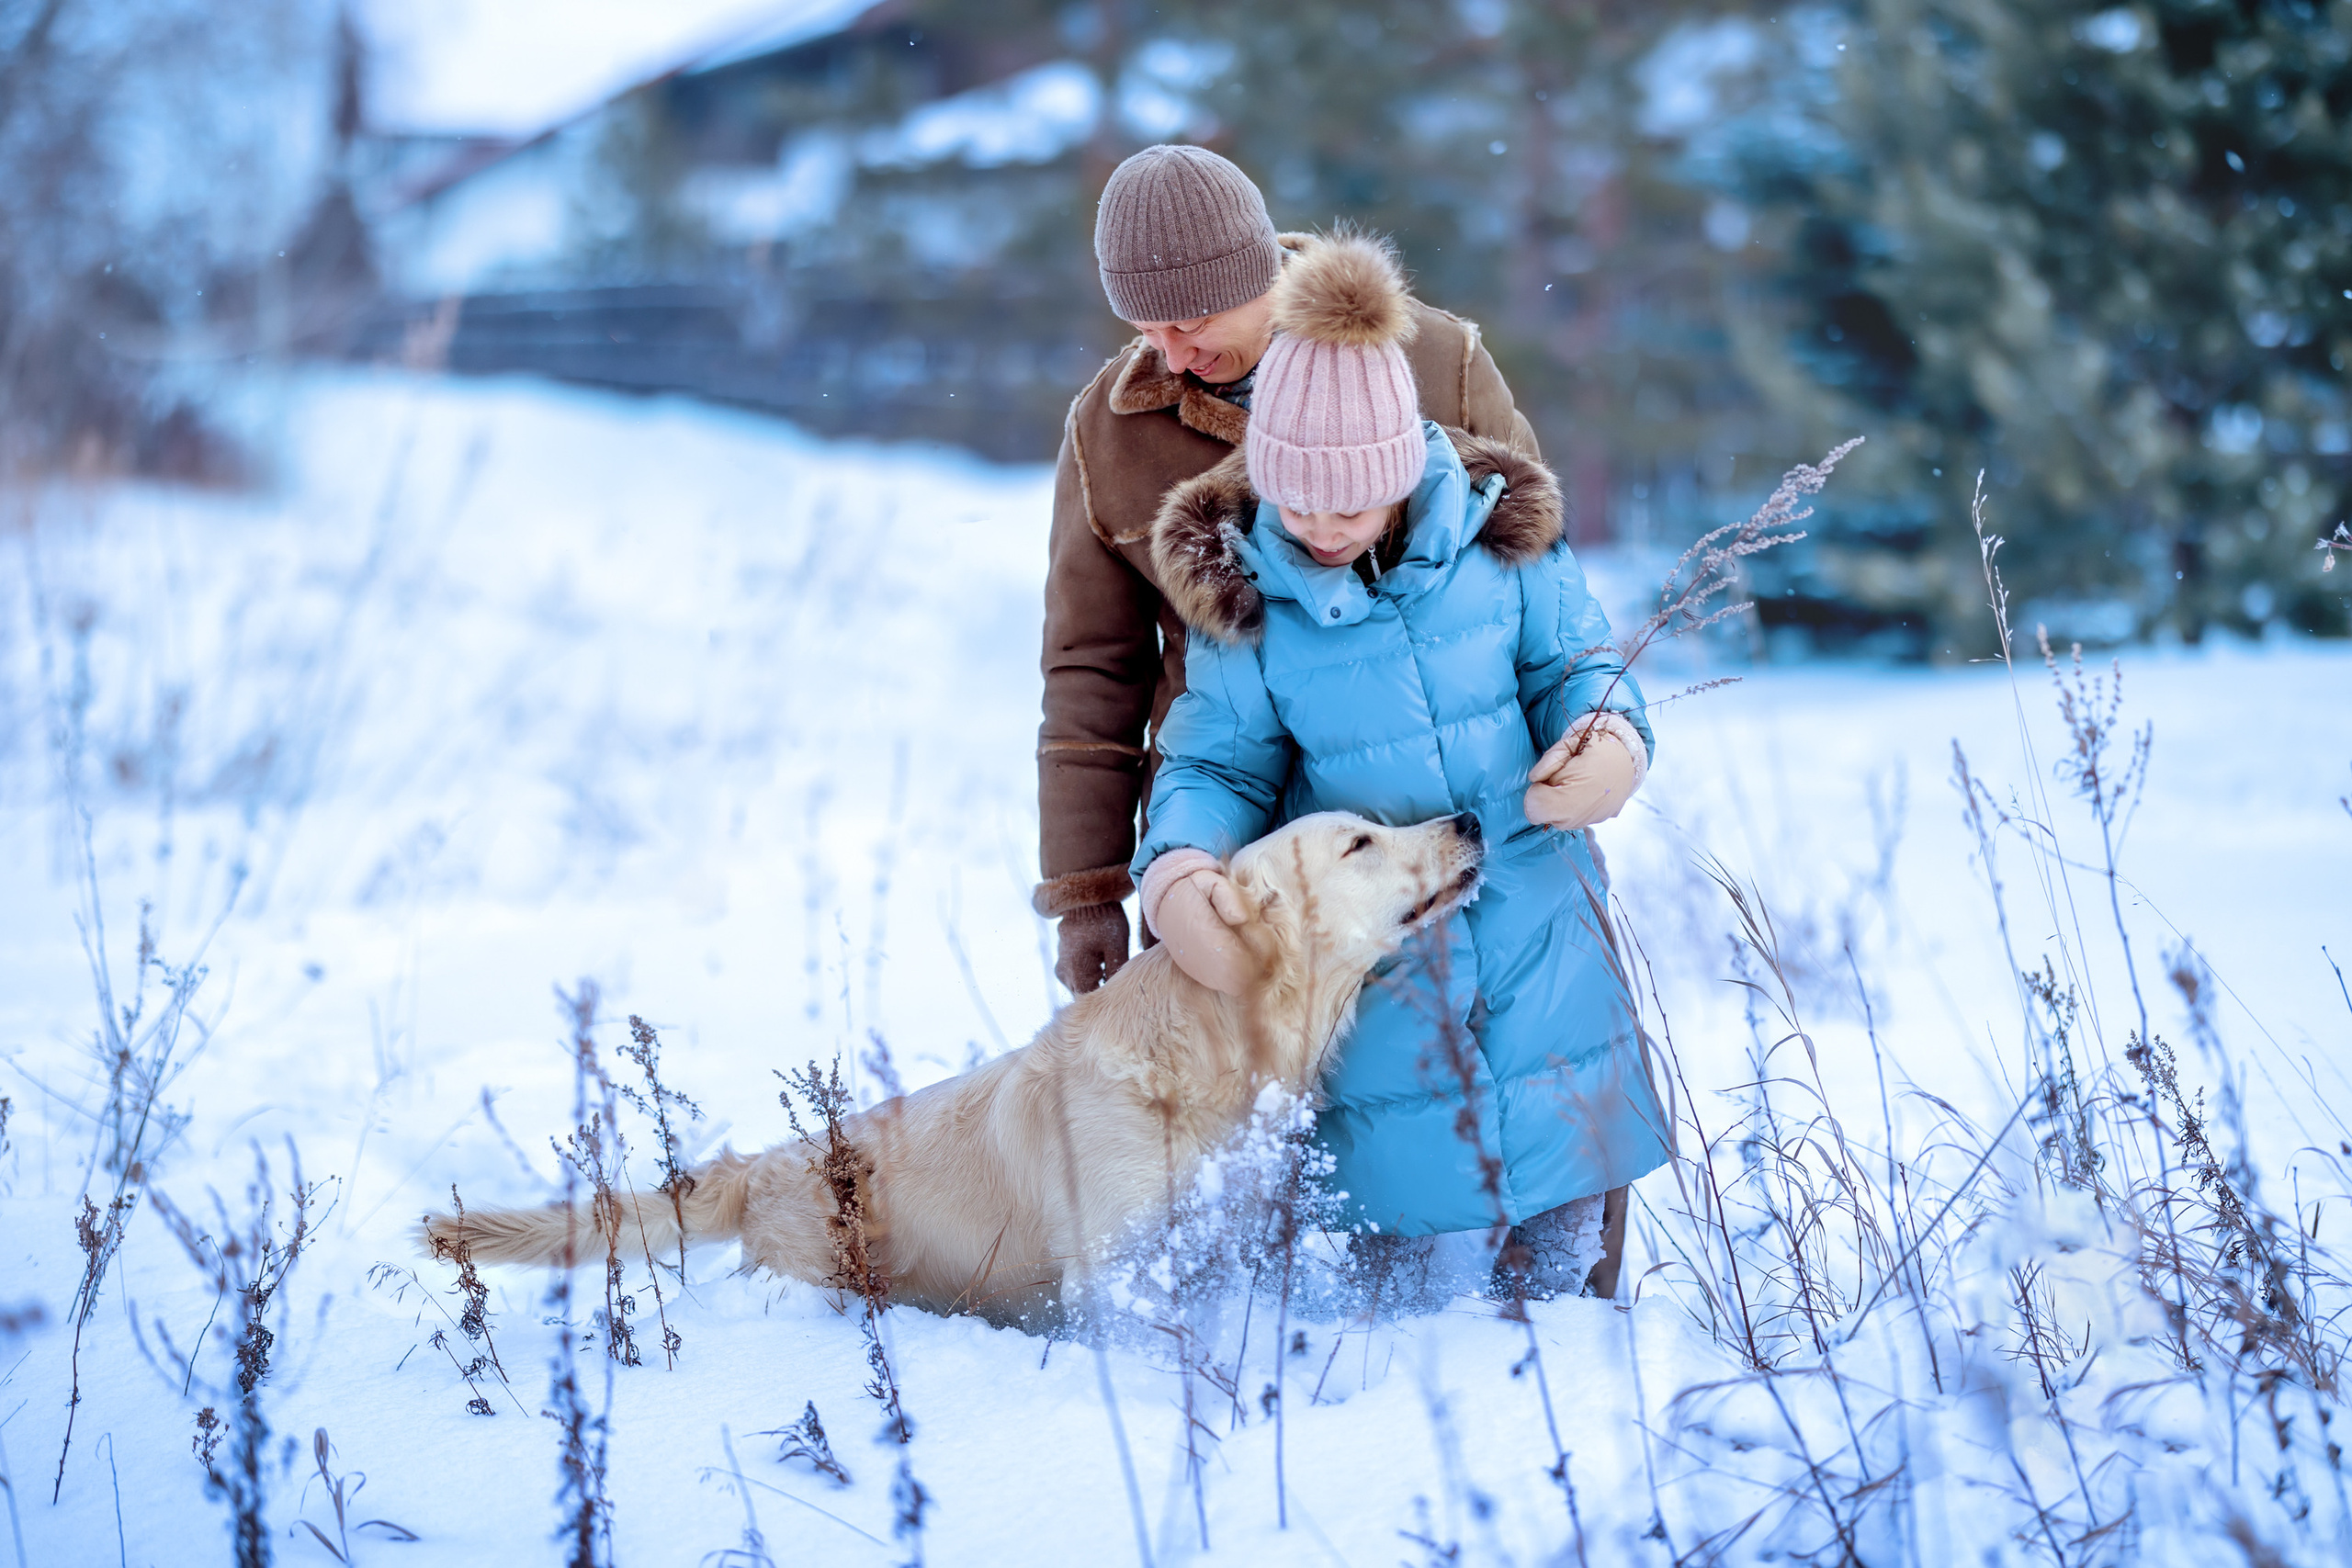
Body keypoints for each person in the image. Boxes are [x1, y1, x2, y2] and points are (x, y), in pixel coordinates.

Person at [1126, 231, 1668, 1301]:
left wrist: (1608, 738)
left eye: (1348, 502)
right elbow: (1218, 766)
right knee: (1397, 1252)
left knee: (1565, 1233)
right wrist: (1179, 863)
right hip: (1380, 967)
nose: (1319, 527)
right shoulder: (1252, 603)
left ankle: (1574, 1353)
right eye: (1296, 501)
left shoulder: (1503, 548)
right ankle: (1395, 1373)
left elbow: (1574, 664)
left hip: (1536, 931)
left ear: (1399, 471)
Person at [1034, 143, 1537, 994]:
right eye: (1146, 330)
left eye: (1189, 324)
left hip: (1436, 823)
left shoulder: (1434, 359)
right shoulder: (1107, 435)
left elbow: (1530, 571)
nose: (1171, 355)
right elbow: (1092, 667)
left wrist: (1582, 735)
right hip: (1235, 857)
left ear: (1253, 275)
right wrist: (1089, 890)